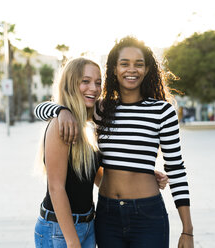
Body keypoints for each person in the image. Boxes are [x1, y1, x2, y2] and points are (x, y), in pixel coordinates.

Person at [34, 37, 193, 248]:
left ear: (147, 70)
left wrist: (187, 230)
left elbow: (176, 169)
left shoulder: (163, 112)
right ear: (114, 69)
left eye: (139, 64)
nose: (132, 69)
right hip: (107, 216)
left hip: (147, 215)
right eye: (124, 63)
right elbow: (41, 109)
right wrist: (60, 111)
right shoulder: (100, 110)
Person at [34, 58, 103, 248]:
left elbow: (92, 175)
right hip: (60, 230)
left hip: (88, 225)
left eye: (98, 82)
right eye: (85, 81)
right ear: (71, 84)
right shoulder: (61, 124)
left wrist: (137, 179)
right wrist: (72, 242)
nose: (94, 88)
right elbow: (56, 188)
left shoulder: (88, 123)